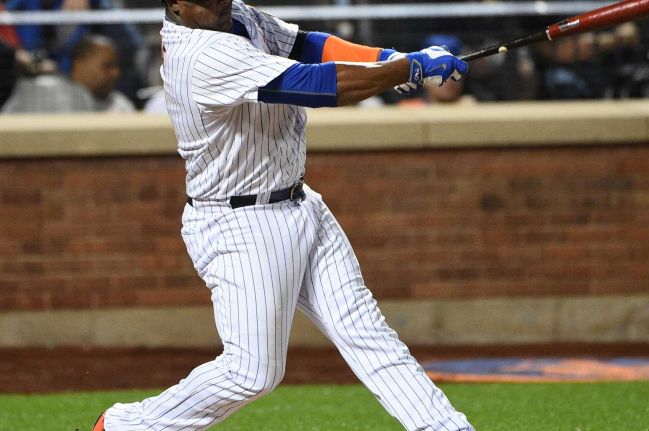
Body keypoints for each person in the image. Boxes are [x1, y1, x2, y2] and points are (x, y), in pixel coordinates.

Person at [92, 0, 472, 430]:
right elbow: (316, 84)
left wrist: (389, 60)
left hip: (299, 201)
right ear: (176, 3)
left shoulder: (238, 16)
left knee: (369, 335)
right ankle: (125, 426)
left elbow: (309, 47)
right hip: (240, 224)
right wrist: (410, 69)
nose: (217, 0)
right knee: (250, 374)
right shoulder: (199, 54)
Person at [69, 35, 134, 112]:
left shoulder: (121, 106)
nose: (116, 73)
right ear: (80, 64)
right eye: (107, 66)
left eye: (116, 66)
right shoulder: (56, 99)